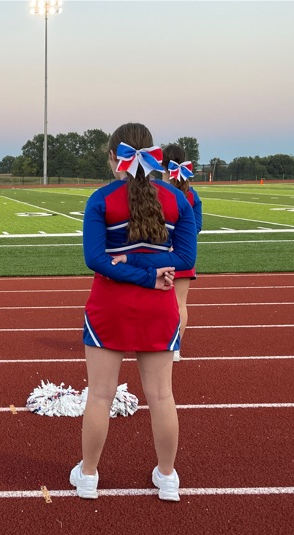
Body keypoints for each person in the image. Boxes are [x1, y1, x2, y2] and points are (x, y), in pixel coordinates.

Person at [72, 122, 197, 502]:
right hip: (159, 307)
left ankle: (89, 476)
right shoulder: (178, 200)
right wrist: (152, 272)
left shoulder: (101, 199)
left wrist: (131, 266)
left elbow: (94, 258)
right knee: (161, 396)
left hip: (110, 306)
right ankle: (168, 477)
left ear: (115, 158)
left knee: (99, 396)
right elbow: (186, 258)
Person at [162, 145, 203, 362]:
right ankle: (175, 349)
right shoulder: (191, 194)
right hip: (185, 254)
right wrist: (180, 243)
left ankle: (156, 344)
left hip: (161, 253)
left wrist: (166, 244)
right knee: (180, 304)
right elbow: (196, 226)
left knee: (157, 302)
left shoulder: (158, 190)